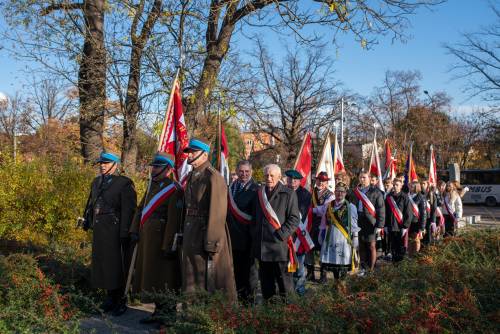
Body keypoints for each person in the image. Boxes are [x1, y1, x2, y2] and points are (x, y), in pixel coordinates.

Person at [129, 152, 182, 324]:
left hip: (161, 239)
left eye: (157, 167)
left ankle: (168, 314)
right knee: (152, 275)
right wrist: (134, 230)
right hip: (147, 239)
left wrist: (169, 244)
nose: (153, 169)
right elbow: (140, 209)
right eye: (153, 166)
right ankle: (158, 311)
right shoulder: (152, 186)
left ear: (167, 169)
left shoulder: (173, 189)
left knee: (164, 276)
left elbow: (174, 219)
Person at [181, 138, 237, 301]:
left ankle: (206, 319)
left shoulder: (213, 177)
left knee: (205, 279)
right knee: (191, 278)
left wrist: (211, 243)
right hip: (192, 232)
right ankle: (190, 315)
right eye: (188, 152)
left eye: (193, 152)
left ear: (204, 154)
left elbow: (217, 212)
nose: (189, 154)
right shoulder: (192, 176)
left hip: (205, 233)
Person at [84, 151, 137, 316]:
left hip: (115, 231)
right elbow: (91, 203)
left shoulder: (124, 184)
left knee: (117, 266)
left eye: (106, 163)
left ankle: (121, 299)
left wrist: (125, 232)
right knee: (103, 265)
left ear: (115, 165)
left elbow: (129, 210)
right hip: (100, 229)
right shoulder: (96, 181)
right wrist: (87, 219)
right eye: (101, 163)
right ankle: (109, 297)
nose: (102, 165)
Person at [252, 164, 300, 300]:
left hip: (280, 248)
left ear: (279, 177)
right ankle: (269, 315)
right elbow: (255, 217)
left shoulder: (289, 193)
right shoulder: (259, 193)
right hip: (263, 248)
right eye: (266, 175)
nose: (269, 178)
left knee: (286, 287)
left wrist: (280, 234)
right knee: (267, 287)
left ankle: (289, 315)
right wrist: (255, 234)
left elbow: (294, 219)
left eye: (272, 175)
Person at [227, 160, 258, 304]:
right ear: (236, 171)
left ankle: (248, 303)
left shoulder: (256, 190)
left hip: (247, 239)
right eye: (241, 171)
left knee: (249, 274)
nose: (244, 174)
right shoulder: (232, 187)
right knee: (236, 273)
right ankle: (238, 300)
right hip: (232, 237)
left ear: (251, 172)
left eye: (247, 172)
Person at [317, 182, 359, 281]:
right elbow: (324, 222)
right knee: (333, 264)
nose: (339, 193)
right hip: (330, 237)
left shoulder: (350, 207)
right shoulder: (328, 206)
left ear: (345, 193)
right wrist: (321, 233)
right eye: (337, 191)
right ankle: (336, 283)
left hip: (343, 239)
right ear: (334, 192)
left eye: (342, 191)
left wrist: (356, 237)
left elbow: (354, 225)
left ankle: (342, 285)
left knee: (343, 264)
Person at [349, 171, 385, 272]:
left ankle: (371, 269)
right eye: (360, 177)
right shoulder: (355, 191)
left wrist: (380, 225)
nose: (362, 179)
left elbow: (381, 209)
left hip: (371, 222)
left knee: (371, 245)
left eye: (364, 177)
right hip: (358, 220)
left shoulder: (376, 192)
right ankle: (363, 267)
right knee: (361, 245)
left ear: (369, 178)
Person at [285, 169, 312, 295]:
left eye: (295, 180)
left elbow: (301, 213)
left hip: (299, 234)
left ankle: (300, 289)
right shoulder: (283, 191)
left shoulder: (305, 194)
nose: (292, 182)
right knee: (288, 263)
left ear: (299, 181)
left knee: (299, 264)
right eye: (290, 179)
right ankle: (289, 289)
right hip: (286, 232)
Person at [310, 172, 334, 283]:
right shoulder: (311, 191)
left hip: (324, 224)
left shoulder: (330, 195)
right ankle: (310, 273)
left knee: (323, 250)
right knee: (309, 248)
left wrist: (312, 210)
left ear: (327, 182)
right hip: (311, 223)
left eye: (323, 181)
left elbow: (325, 210)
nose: (320, 182)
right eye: (319, 180)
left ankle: (323, 276)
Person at [385, 178, 412, 262]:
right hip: (391, 226)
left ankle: (400, 267)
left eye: (397, 185)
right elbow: (385, 212)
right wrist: (385, 225)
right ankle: (394, 266)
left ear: (401, 186)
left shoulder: (405, 197)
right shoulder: (389, 197)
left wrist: (405, 226)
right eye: (394, 185)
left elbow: (408, 213)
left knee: (400, 248)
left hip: (400, 227)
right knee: (393, 247)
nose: (395, 186)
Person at [407, 181, 427, 257]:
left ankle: (415, 255)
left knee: (416, 239)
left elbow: (423, 212)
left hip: (416, 221)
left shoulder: (421, 197)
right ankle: (410, 255)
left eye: (412, 186)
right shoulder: (407, 195)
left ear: (416, 187)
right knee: (409, 239)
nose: (410, 187)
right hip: (408, 221)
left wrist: (422, 227)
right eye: (410, 186)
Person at [420, 180, 437, 245]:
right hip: (421, 219)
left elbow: (434, 209)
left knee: (428, 237)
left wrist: (433, 221)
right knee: (421, 237)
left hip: (428, 219)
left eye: (424, 183)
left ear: (427, 185)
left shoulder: (432, 195)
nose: (422, 185)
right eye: (421, 183)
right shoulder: (419, 195)